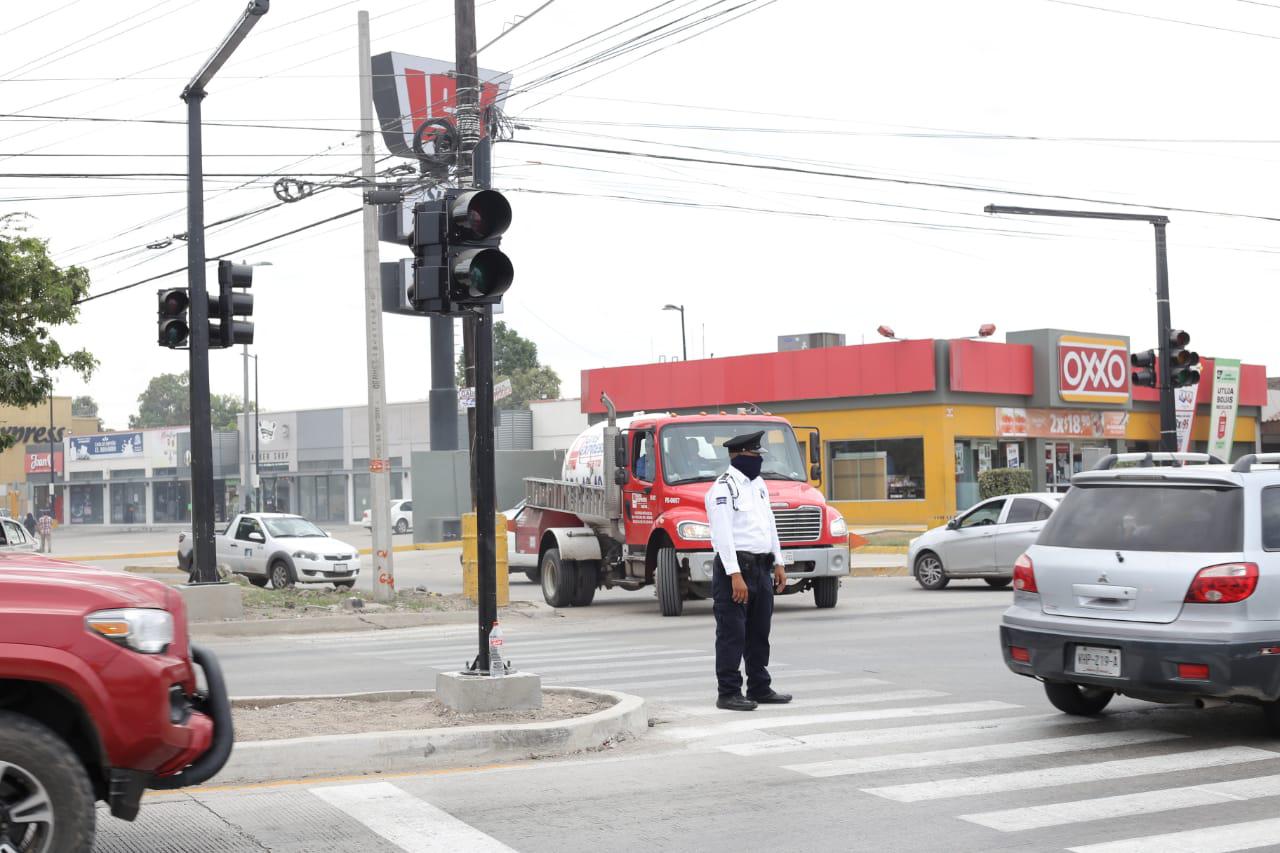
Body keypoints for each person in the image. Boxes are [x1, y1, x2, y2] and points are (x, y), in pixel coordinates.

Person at [703, 430, 790, 711]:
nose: (758, 461)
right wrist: (735, 575)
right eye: (754, 456)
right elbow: (723, 536)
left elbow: (770, 524)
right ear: (739, 456)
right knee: (732, 633)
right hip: (737, 570)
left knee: (758, 631)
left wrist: (779, 561)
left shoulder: (759, 485)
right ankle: (728, 692)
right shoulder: (723, 488)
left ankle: (759, 687)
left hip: (761, 567)